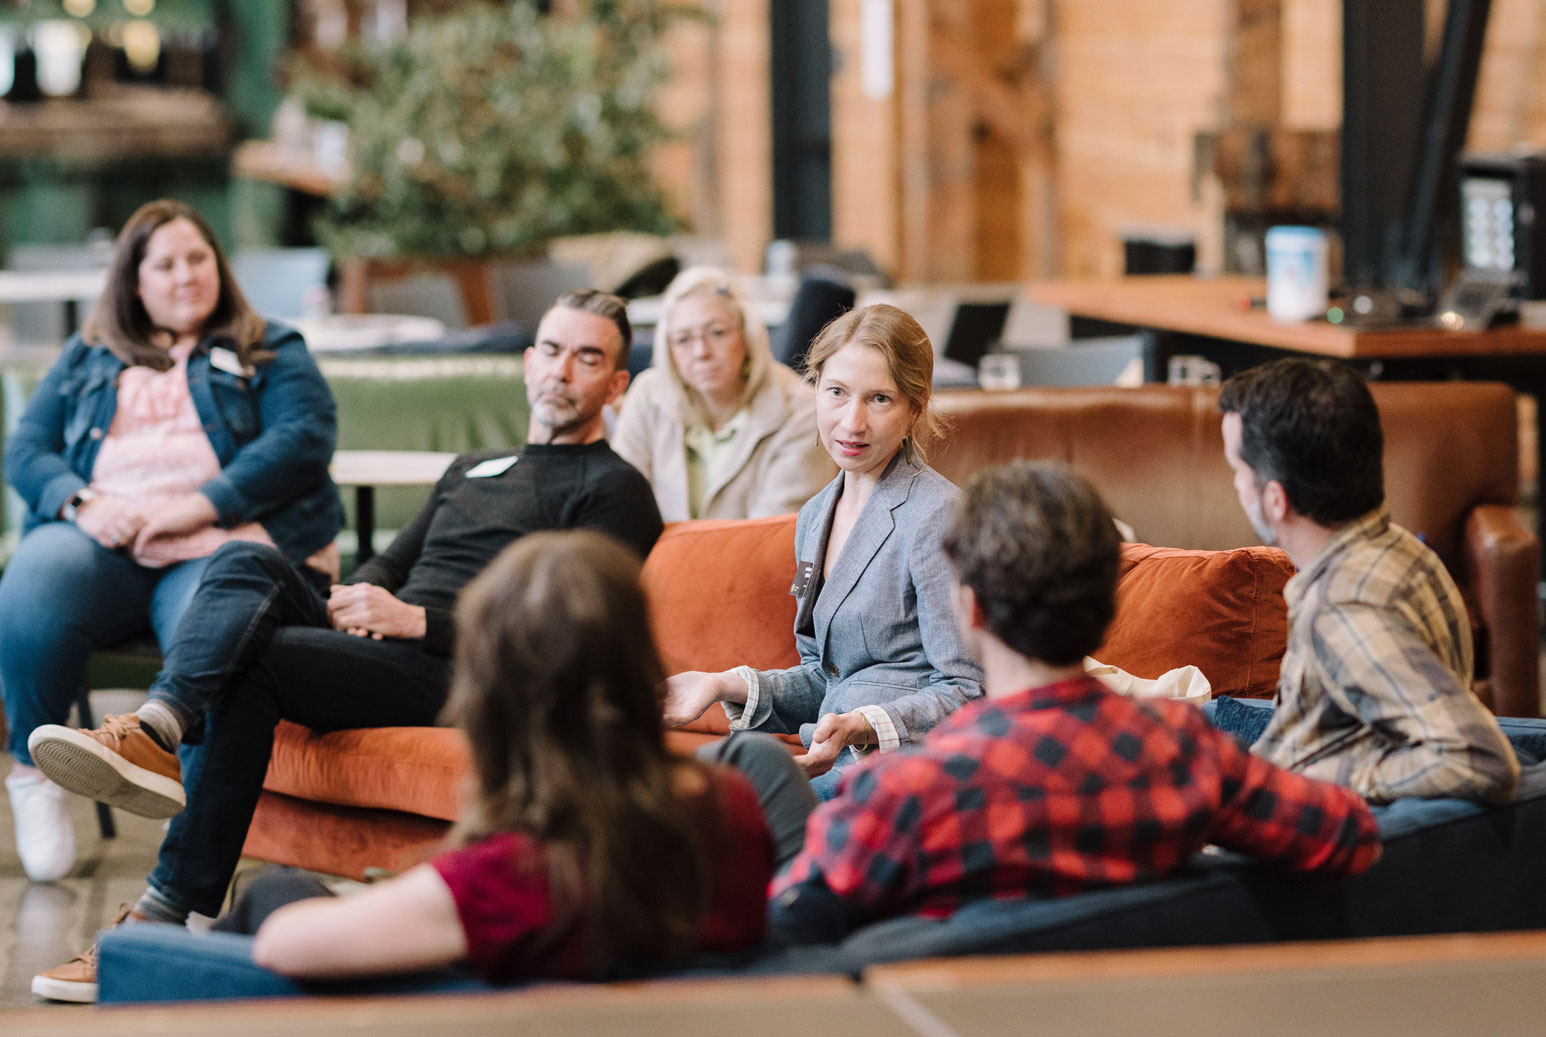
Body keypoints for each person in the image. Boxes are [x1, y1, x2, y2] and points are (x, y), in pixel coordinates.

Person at [25, 290, 665, 1003]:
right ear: (526, 362)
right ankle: (158, 727)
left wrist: (417, 622)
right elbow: (390, 565)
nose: (561, 371)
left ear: (615, 383)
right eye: (550, 350)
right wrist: (358, 603)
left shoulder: (616, 489)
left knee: (254, 662)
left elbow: (570, 633)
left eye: (587, 358)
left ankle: (162, 914)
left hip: (469, 672)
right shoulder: (473, 466)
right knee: (244, 558)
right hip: (388, 647)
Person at [747, 462, 1382, 941]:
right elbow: (1348, 836)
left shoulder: (904, 799)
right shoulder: (1186, 752)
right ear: (1108, 607)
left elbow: (780, 934)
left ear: (968, 609)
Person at [195, 531, 770, 986]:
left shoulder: (508, 878)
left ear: (489, 696)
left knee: (274, 897)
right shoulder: (733, 804)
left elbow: (285, 946)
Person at [0, 199, 344, 884]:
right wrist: (84, 501)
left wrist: (200, 504)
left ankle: (178, 778)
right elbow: (27, 448)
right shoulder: (90, 354)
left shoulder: (269, 345)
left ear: (219, 265)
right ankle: (32, 776)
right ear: (134, 281)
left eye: (199, 258)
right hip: (103, 542)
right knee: (32, 586)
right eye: (166, 264)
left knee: (216, 617)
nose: (187, 275)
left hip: (218, 541)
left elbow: (304, 437)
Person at [661, 304, 983, 798]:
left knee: (704, 807)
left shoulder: (938, 516)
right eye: (836, 393)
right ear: (815, 390)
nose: (851, 422)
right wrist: (724, 684)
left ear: (914, 408)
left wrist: (866, 723)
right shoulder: (816, 516)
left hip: (897, 776)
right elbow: (822, 677)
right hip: (829, 763)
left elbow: (969, 689)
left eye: (879, 399)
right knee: (671, 787)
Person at [1218, 357, 1519, 805]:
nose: (1237, 485)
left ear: (1276, 499)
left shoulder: (1343, 609)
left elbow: (1480, 760)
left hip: (1304, 841)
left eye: (1239, 472)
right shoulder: (1403, 550)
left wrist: (1333, 776)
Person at [610, 266, 834, 520]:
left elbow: (771, 539)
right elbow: (622, 507)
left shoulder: (801, 410)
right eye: (683, 339)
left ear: (747, 335)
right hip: (653, 560)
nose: (700, 352)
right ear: (668, 349)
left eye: (717, 333)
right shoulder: (648, 393)